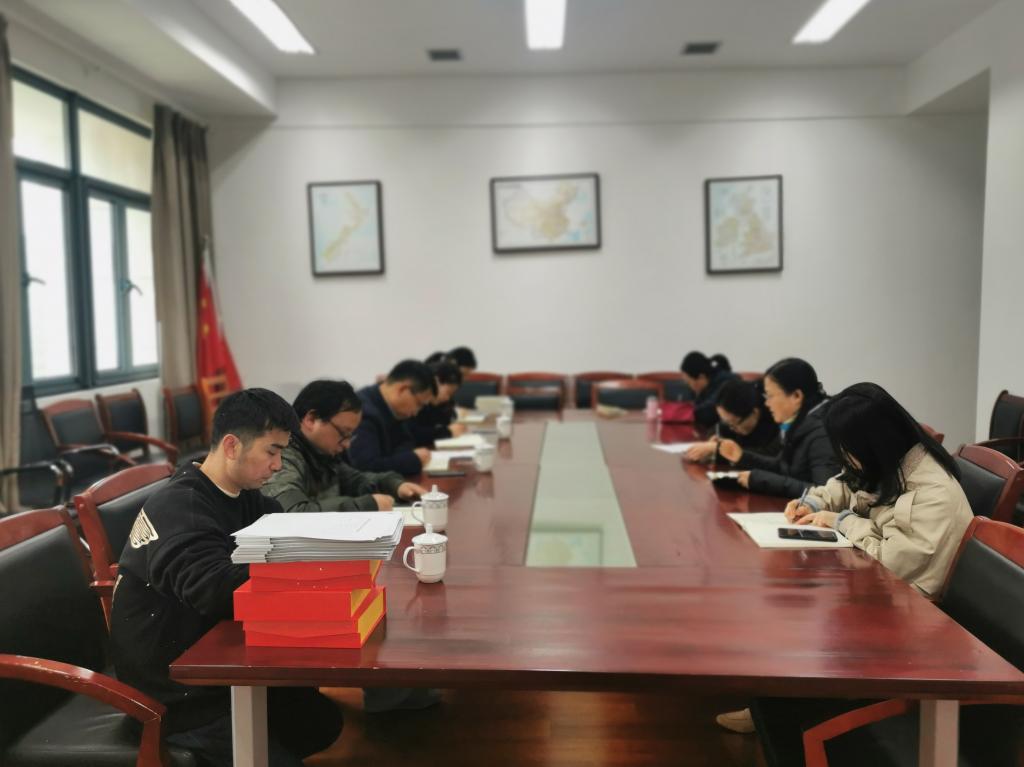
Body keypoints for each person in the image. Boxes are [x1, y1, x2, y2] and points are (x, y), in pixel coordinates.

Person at [720, 383, 974, 745]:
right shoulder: (891, 461)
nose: (845, 459)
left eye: (847, 451)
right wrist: (814, 501)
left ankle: (785, 720)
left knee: (799, 620)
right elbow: (849, 484)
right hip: (883, 593)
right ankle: (772, 709)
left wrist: (842, 521)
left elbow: (891, 562)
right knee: (786, 605)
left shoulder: (931, 493)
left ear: (872, 444)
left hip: (909, 619)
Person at [109, 389, 343, 766]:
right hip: (175, 692)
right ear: (232, 446)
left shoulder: (240, 493)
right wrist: (296, 569)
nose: (278, 465)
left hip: (212, 652)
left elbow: (284, 531)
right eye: (271, 452)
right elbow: (216, 591)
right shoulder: (182, 506)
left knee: (319, 722)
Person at [262, 379, 428, 512]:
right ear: (311, 419)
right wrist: (365, 505)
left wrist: (394, 485)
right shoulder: (282, 455)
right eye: (343, 433)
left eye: (351, 436)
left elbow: (357, 480)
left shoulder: (321, 452)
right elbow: (292, 513)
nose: (347, 444)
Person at [716, 358, 839, 497]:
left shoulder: (822, 433)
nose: (767, 403)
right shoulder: (798, 423)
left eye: (770, 396)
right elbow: (783, 466)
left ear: (796, 396)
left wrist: (761, 480)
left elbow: (825, 494)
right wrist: (742, 457)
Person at [348, 360, 436, 476]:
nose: (416, 413)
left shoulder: (394, 409)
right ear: (402, 389)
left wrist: (400, 457)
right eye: (419, 404)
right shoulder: (363, 412)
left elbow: (407, 442)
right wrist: (413, 460)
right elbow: (366, 467)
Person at [683, 378, 780, 462]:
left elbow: (770, 455)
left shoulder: (776, 419)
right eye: (727, 423)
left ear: (754, 413)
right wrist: (714, 440)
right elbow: (717, 428)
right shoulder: (733, 419)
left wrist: (718, 449)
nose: (732, 428)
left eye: (734, 424)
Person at [411, 360, 468, 447]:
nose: (447, 398)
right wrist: (448, 432)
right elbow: (413, 434)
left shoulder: (440, 404)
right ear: (436, 382)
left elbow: (446, 421)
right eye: (448, 393)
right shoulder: (413, 402)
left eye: (451, 395)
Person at [679, 351, 737, 427]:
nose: (689, 386)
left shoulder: (726, 384)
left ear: (701, 377)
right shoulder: (707, 386)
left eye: (689, 382)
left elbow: (708, 413)